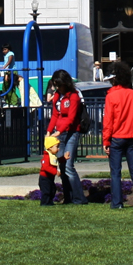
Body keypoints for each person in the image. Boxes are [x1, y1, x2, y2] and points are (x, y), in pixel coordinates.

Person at [102, 66, 133, 209]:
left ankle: (117, 203)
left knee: (115, 172)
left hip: (117, 137)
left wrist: (106, 140)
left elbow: (108, 120)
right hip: (132, 136)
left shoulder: (111, 96)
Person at [46, 70, 85, 205]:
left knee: (68, 166)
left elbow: (72, 117)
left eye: (59, 85)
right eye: (55, 85)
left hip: (71, 132)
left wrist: (60, 131)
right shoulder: (57, 96)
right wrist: (49, 131)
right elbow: (55, 115)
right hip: (59, 134)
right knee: (61, 165)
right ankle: (68, 197)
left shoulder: (73, 96)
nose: (57, 88)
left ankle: (79, 198)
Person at [38, 134, 64, 205]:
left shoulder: (52, 155)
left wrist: (63, 158)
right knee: (46, 191)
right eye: (56, 147)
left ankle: (50, 202)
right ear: (50, 148)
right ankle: (44, 203)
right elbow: (45, 167)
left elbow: (57, 160)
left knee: (52, 190)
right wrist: (55, 172)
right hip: (44, 178)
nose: (58, 149)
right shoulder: (47, 156)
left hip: (50, 178)